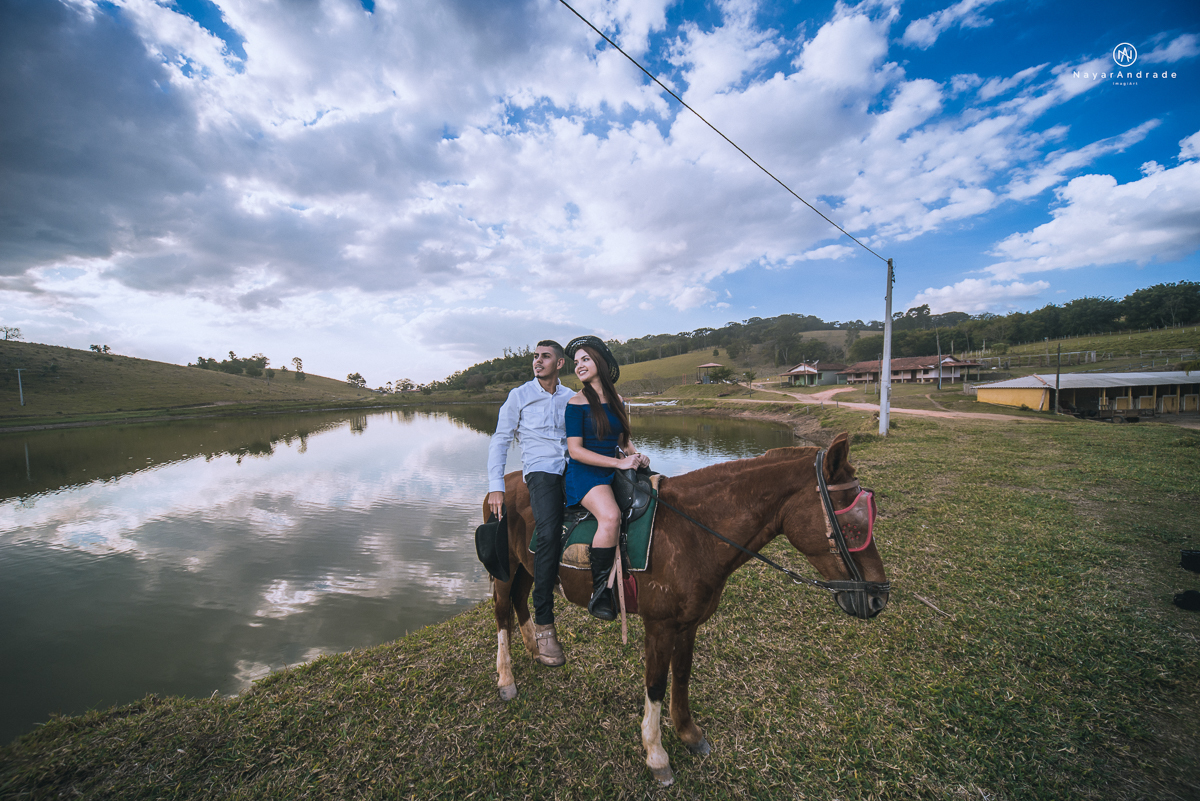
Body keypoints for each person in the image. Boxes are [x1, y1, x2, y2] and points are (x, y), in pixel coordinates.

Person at [487, 340, 576, 667]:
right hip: (540, 471)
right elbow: (500, 438)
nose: (537, 362)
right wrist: (497, 486)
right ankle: (544, 620)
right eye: (535, 357)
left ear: (560, 363)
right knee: (549, 529)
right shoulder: (520, 396)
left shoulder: (571, 398)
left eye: (545, 357)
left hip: (572, 467)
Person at [563, 335, 650, 621]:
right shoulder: (576, 403)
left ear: (600, 361)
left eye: (585, 359)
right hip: (586, 472)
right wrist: (618, 462)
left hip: (616, 465)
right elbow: (575, 451)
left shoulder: (618, 400)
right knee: (611, 516)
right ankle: (600, 592)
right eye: (576, 362)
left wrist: (637, 456)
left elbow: (624, 442)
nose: (579, 366)